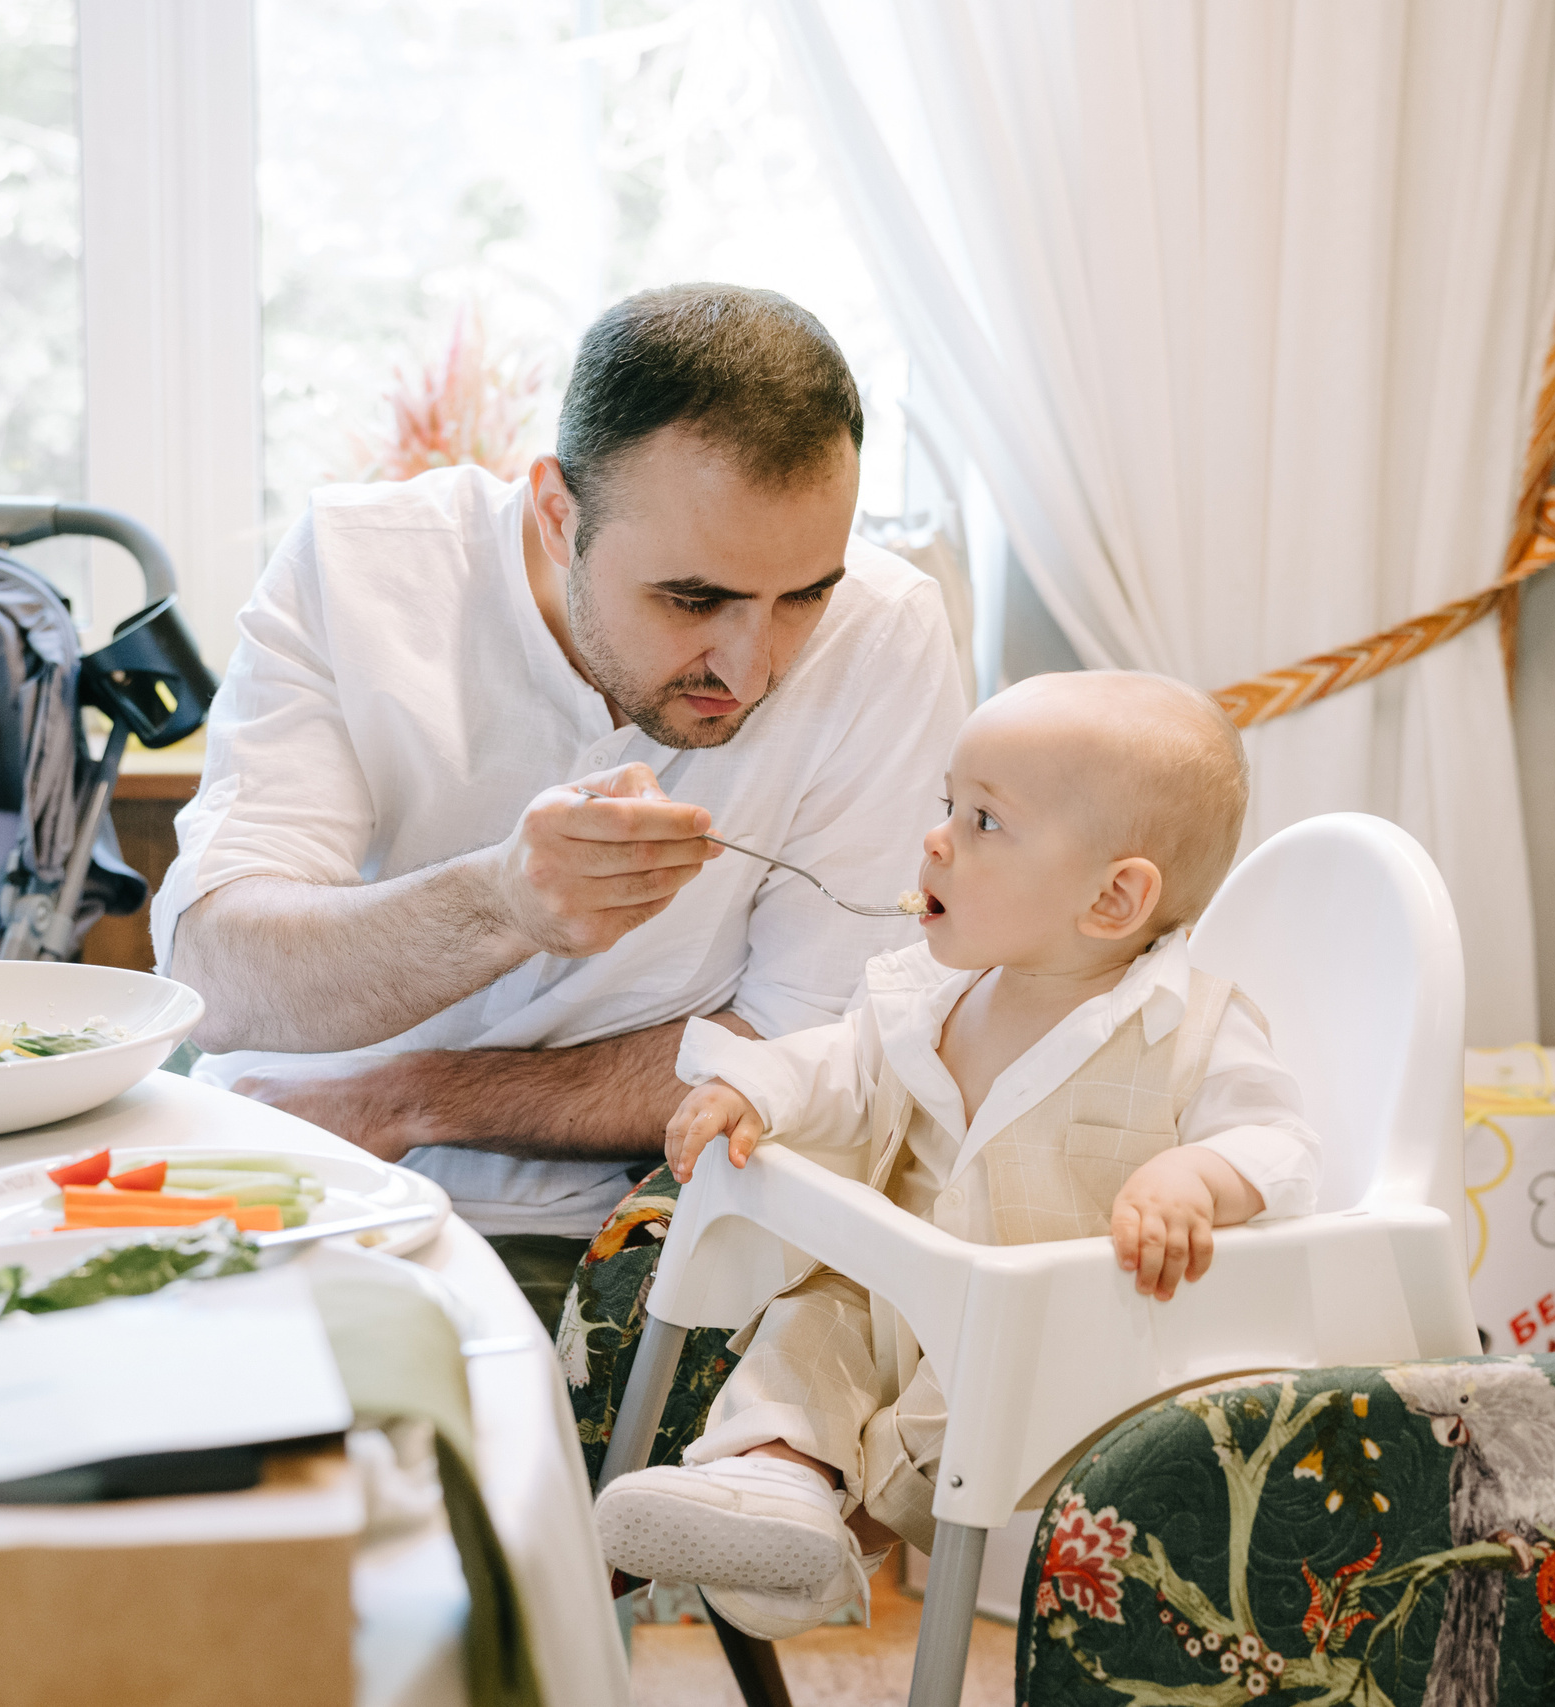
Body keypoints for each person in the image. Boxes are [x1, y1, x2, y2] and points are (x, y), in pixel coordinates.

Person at [154, 284, 965, 1323]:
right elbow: (215, 977)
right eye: (692, 599)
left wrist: (415, 1096)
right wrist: (497, 903)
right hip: (295, 1169)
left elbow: (813, 1050)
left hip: (632, 1220)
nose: (754, 666)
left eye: (804, 595)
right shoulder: (360, 569)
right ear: (555, 512)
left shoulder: (886, 632)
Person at [590, 671, 1323, 1639]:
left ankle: (829, 1531)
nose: (936, 837)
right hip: (892, 1299)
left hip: (1053, 1347)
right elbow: (838, 1067)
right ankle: (772, 1481)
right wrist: (752, 1088)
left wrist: (1195, 1175)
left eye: (983, 821)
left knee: (948, 1401)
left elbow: (1283, 1146)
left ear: (1112, 897)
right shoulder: (931, 997)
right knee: (810, 1318)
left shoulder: (1190, 1030)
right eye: (947, 805)